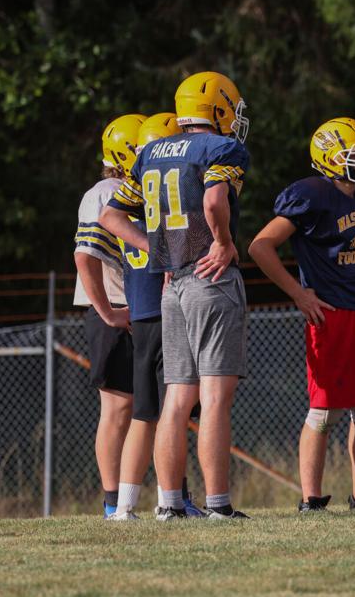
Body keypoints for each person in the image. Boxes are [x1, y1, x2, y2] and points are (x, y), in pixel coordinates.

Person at [100, 71, 251, 520]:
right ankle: (218, 504)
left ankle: (168, 504)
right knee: (215, 398)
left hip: (172, 285)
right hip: (209, 280)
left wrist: (160, 250)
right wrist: (222, 241)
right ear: (218, 108)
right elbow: (212, 200)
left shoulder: (150, 151)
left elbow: (112, 215)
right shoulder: (221, 148)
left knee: (176, 400)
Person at [249, 117, 355, 512]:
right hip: (331, 314)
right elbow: (261, 246)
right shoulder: (311, 195)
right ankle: (311, 498)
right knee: (324, 409)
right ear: (331, 157)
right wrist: (298, 293)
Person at [107, 112, 205, 520]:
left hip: (142, 311)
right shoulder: (169, 194)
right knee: (174, 410)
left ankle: (123, 507)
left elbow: (110, 218)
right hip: (168, 305)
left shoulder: (133, 197)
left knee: (144, 415)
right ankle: (172, 501)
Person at [74, 113, 144, 517]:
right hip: (116, 309)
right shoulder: (104, 192)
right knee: (119, 408)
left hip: (142, 308)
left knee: (155, 405)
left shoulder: (141, 188)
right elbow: (85, 256)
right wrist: (109, 312)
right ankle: (113, 500)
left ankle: (172, 495)